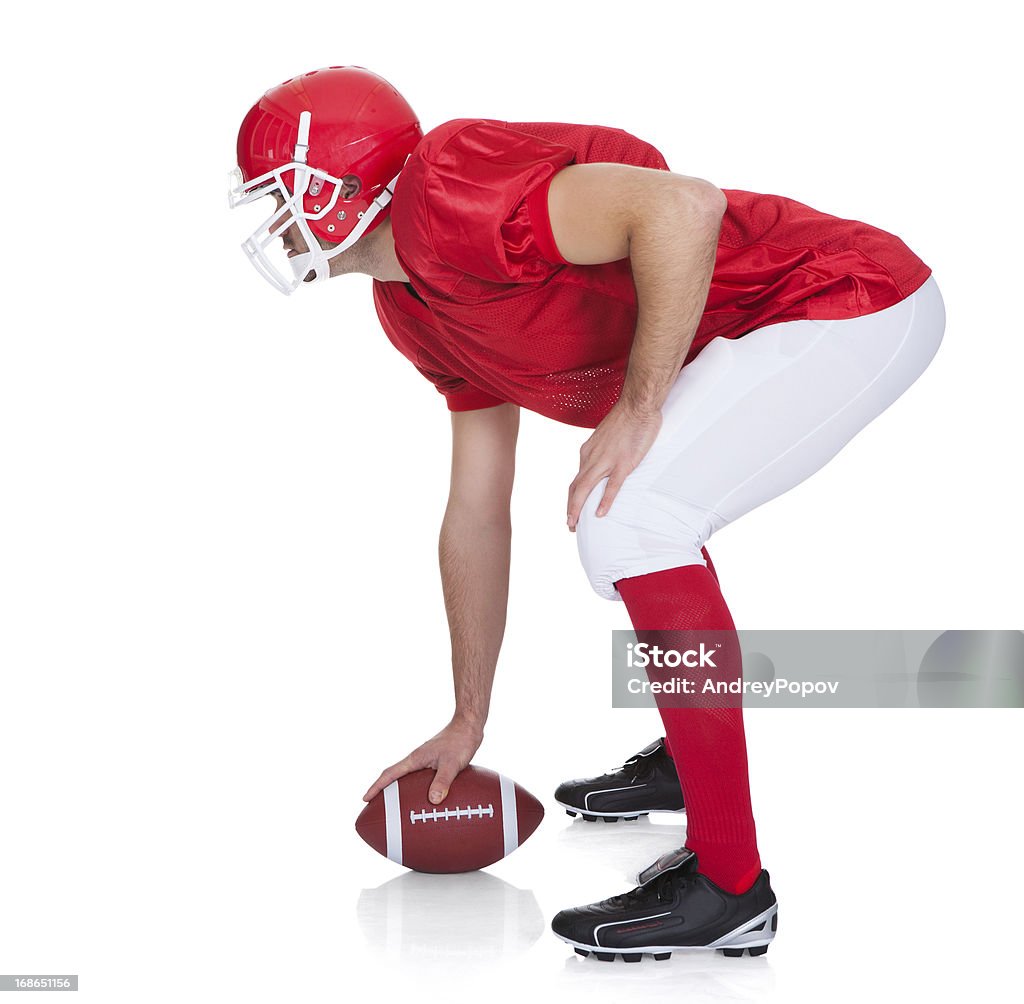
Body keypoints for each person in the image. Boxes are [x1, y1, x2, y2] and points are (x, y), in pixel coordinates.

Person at [229, 65, 945, 962]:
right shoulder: (409, 305)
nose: (275, 221)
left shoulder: (448, 194)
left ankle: (731, 885)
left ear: (347, 185)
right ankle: (693, 755)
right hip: (771, 330)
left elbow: (682, 207)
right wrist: (467, 718)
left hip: (844, 298)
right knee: (636, 516)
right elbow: (477, 512)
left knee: (632, 519)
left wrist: (640, 407)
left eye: (282, 193)